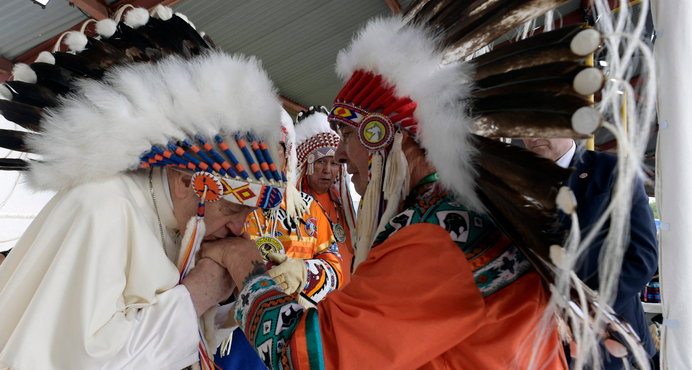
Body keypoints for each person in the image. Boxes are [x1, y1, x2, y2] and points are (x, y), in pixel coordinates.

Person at [200, 15, 591, 369]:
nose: (339, 156)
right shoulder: (452, 214)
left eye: (349, 135)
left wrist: (248, 267)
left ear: (388, 140)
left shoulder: (438, 234)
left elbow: (309, 356)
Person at [0, 6, 288, 369]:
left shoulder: (181, 219)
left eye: (248, 216)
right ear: (185, 182)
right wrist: (197, 293)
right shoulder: (102, 207)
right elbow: (90, 362)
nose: (241, 230)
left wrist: (230, 288)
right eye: (231, 210)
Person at [523, 137, 659, 369]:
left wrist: (581, 310)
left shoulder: (615, 171)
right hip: (535, 338)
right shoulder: (514, 179)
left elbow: (642, 258)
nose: (532, 136)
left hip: (608, 339)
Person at [245, 110, 343, 306]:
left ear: (287, 153)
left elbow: (335, 269)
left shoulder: (310, 208)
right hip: (241, 320)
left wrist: (304, 273)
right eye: (258, 147)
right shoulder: (230, 205)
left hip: (299, 317)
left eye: (275, 147)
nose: (265, 156)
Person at [293, 107, 356, 281]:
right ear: (307, 164)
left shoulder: (344, 206)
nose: (327, 170)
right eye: (321, 161)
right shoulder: (294, 205)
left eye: (334, 163)